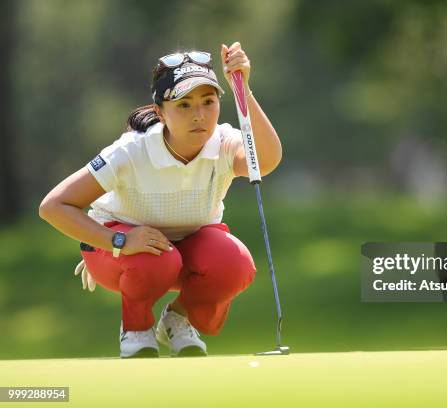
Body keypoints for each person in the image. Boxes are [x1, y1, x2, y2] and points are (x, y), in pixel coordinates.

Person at [38, 43, 282, 358]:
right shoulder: (131, 151)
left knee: (234, 263)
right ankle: (136, 329)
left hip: (186, 250)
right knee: (156, 260)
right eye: (183, 105)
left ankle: (177, 319)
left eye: (208, 102)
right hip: (120, 249)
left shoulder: (222, 142)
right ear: (159, 112)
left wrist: (242, 88)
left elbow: (265, 160)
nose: (199, 115)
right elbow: (53, 206)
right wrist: (117, 241)